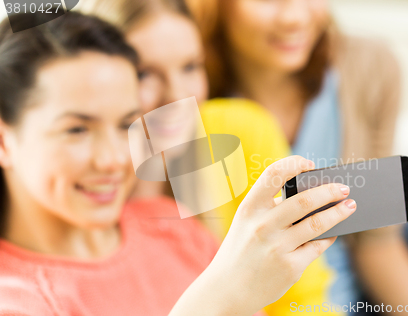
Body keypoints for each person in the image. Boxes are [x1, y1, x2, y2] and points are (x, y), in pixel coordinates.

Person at [0, 11, 358, 315]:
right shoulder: (16, 296)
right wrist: (222, 298)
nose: (112, 160)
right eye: (76, 129)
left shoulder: (175, 229)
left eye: (126, 123)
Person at [186, 0, 408, 315]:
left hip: (365, 251)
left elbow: (377, 241)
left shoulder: (369, 67)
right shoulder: (194, 103)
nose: (294, 16)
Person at [78, 0, 336, 313]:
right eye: (145, 73)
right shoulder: (78, 191)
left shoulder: (242, 131)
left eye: (190, 67)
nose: (177, 95)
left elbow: (305, 299)